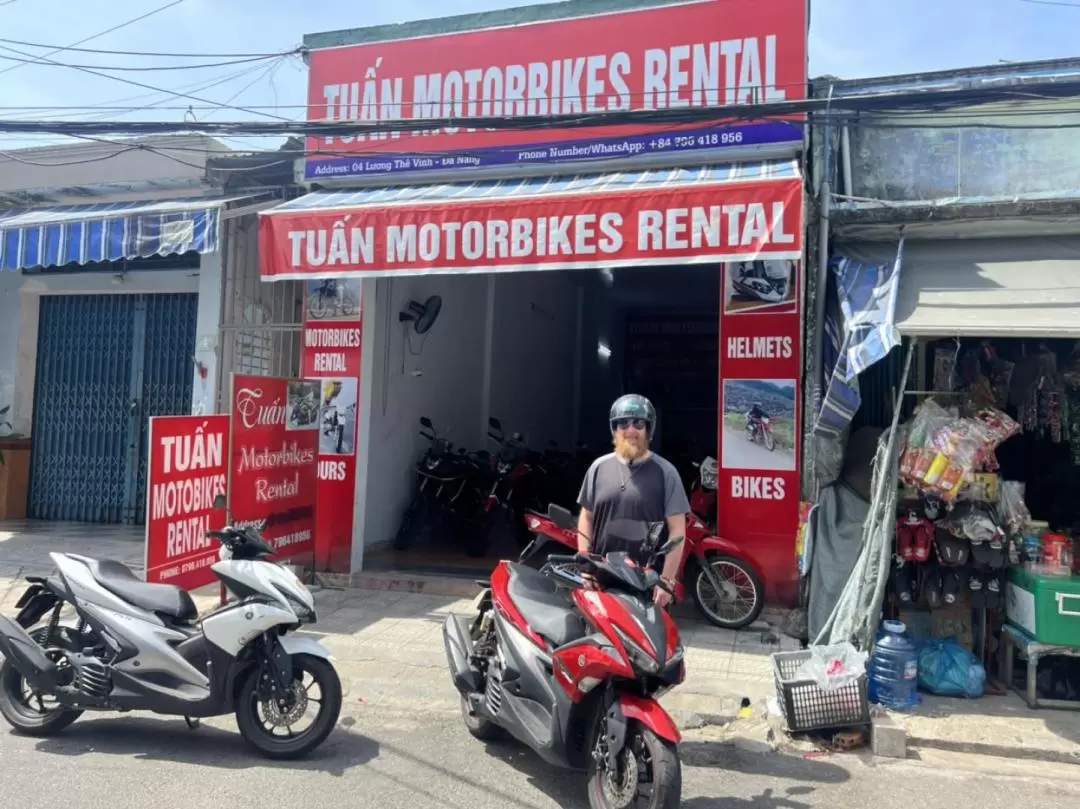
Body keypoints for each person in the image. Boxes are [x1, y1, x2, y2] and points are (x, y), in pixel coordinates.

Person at [575, 394, 691, 608]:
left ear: (648, 429)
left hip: (647, 583)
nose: (630, 430)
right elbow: (586, 517)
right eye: (623, 423)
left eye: (638, 423)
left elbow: (677, 531)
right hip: (602, 580)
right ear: (614, 429)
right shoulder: (598, 468)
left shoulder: (666, 472)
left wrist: (666, 580)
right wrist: (585, 565)